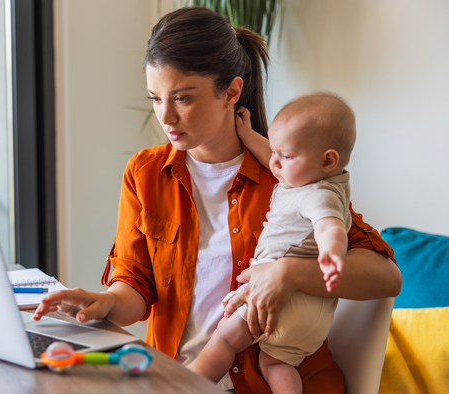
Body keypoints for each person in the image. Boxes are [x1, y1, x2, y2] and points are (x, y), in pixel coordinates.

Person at [32, 7, 401, 394]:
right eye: (156, 98)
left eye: (182, 98)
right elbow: (136, 290)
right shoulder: (145, 174)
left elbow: (387, 276)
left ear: (232, 91)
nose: (166, 116)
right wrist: (105, 302)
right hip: (177, 382)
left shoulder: (289, 177)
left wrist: (287, 273)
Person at [192, 92, 357, 393]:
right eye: (275, 152)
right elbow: (274, 153)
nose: (275, 162)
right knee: (276, 363)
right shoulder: (312, 175)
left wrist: (333, 249)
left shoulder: (317, 194)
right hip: (310, 318)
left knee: (225, 338)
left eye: (287, 156)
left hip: (286, 303)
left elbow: (328, 224)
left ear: (327, 159)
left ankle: (184, 386)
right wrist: (248, 134)